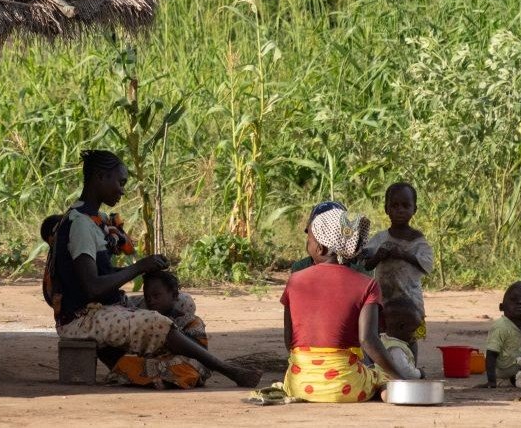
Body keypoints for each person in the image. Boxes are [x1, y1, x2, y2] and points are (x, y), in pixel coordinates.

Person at [51, 150, 260, 387]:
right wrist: (139, 267)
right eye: (120, 182)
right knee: (156, 321)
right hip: (82, 318)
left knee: (183, 302)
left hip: (104, 306)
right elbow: (92, 286)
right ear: (100, 177)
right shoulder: (80, 224)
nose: (122, 190)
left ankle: (161, 357)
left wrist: (149, 270)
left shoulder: (94, 218)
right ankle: (226, 369)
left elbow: (98, 272)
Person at [277, 204, 413, 403]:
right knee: (380, 376)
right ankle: (388, 392)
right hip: (346, 386)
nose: (307, 244)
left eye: (309, 239)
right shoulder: (367, 284)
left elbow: (290, 340)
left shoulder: (295, 280)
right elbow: (368, 340)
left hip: (299, 384)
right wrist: (400, 378)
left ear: (320, 247)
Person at [358, 183, 433, 353]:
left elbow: (427, 264)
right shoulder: (380, 238)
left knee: (410, 335)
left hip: (410, 299)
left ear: (415, 209)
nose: (400, 210)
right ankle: (385, 368)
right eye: (395, 205)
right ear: (387, 209)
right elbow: (366, 264)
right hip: (384, 298)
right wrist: (378, 256)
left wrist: (403, 254)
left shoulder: (418, 240)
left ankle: (412, 368)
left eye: (406, 206)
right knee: (382, 333)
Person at [107, 271, 212, 389]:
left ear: (174, 295)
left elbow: (201, 350)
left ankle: (164, 381)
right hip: (155, 362)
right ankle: (161, 380)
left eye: (156, 296)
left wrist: (174, 339)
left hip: (181, 361)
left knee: (193, 365)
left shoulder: (192, 321)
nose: (151, 301)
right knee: (127, 363)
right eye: (147, 297)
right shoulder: (146, 321)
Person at [377, 297, 424, 380]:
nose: (415, 335)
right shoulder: (395, 348)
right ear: (401, 327)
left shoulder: (383, 339)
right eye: (413, 331)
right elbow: (405, 372)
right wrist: (419, 373)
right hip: (388, 383)